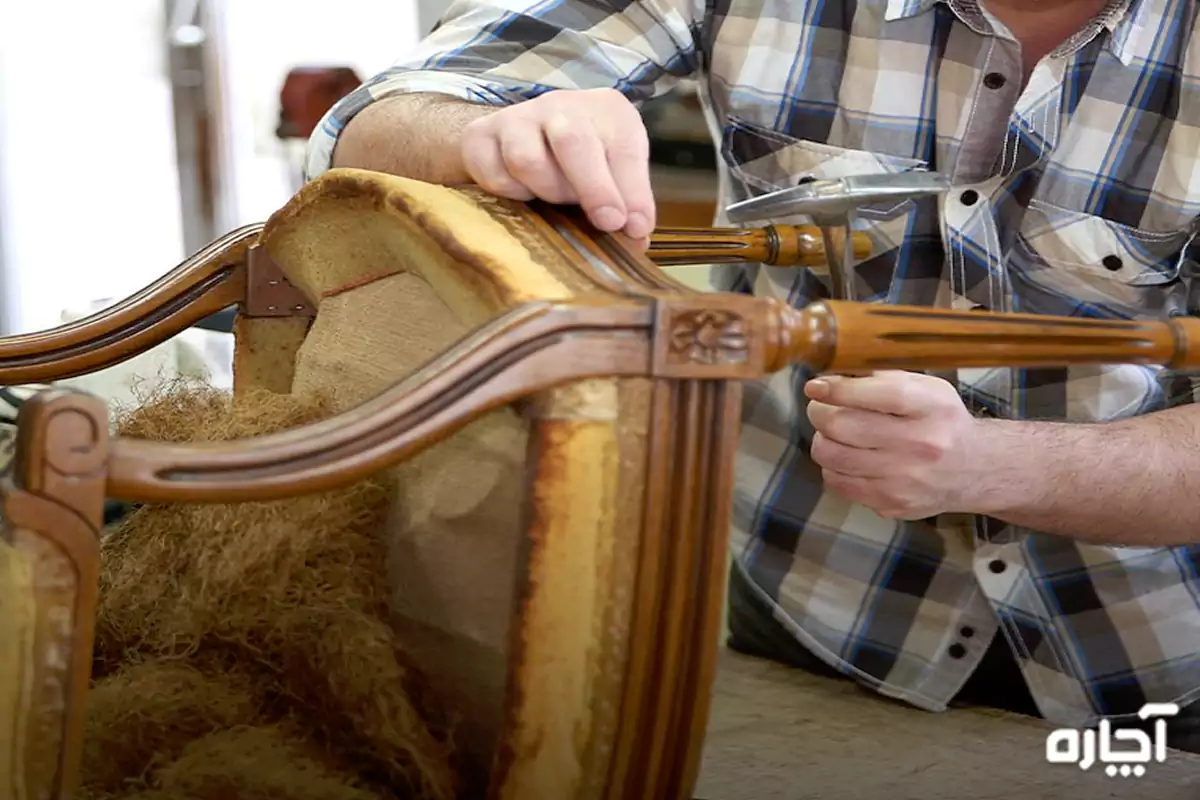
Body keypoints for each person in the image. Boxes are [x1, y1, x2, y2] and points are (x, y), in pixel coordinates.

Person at [306, 0, 1200, 752]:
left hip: (1152, 657)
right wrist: (488, 136)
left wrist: (990, 467)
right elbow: (375, 122)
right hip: (818, 607)